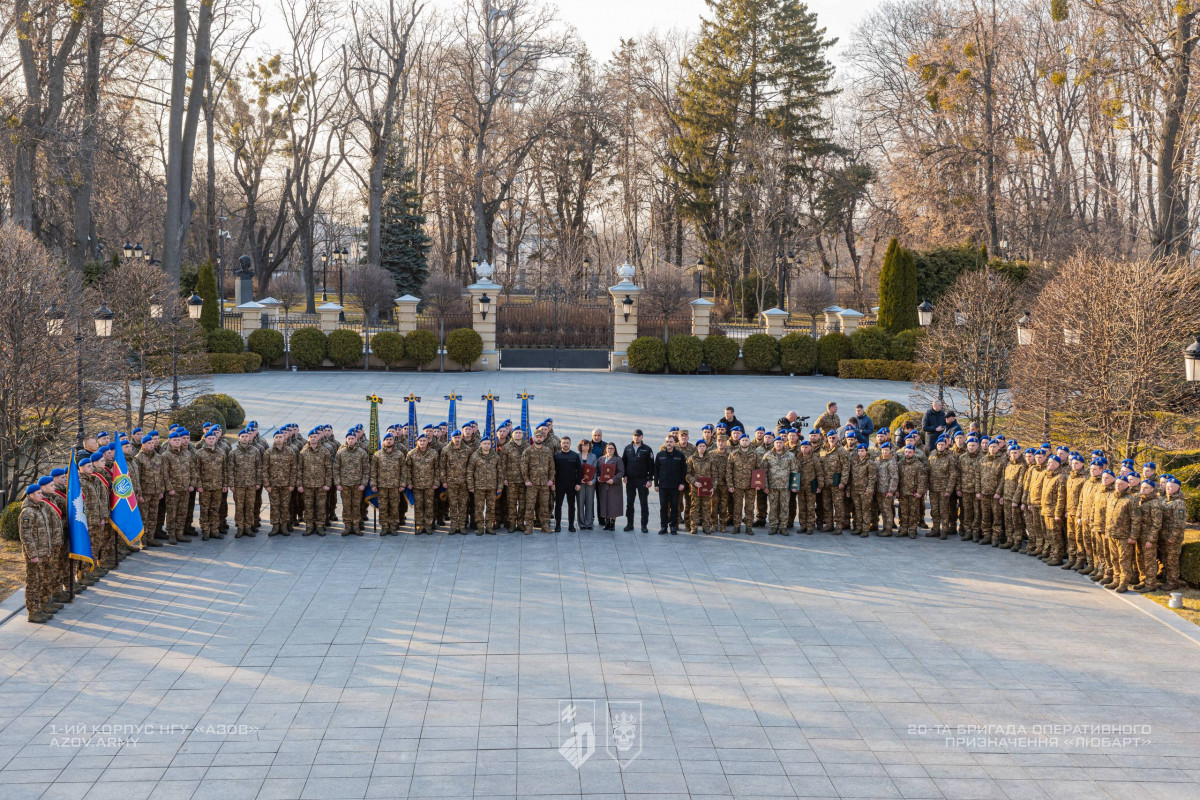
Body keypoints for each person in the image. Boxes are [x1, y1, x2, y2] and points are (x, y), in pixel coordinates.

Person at [19, 484, 55, 623]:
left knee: (41, 581)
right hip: (34, 555)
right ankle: (33, 612)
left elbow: (45, 532)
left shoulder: (41, 508)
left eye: (41, 492)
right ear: (31, 495)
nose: (42, 495)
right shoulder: (28, 512)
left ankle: (39, 608)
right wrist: (33, 555)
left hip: (43, 552)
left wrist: (48, 550)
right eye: (39, 493)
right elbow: (26, 536)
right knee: (33, 583)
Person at [228, 427, 263, 538]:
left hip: (251, 484)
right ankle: (240, 527)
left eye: (246, 436)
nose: (244, 438)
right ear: (239, 438)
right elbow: (230, 469)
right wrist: (232, 484)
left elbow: (258, 468)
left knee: (250, 506)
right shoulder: (233, 452)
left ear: (249, 437)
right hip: (238, 485)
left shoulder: (255, 451)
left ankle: (248, 527)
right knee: (239, 506)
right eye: (242, 436)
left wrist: (258, 482)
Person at [194, 429, 227, 540]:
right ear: (205, 439)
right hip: (205, 487)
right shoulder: (199, 453)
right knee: (205, 509)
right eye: (209, 439)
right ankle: (205, 530)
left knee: (215, 509)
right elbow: (196, 471)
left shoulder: (221, 452)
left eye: (213, 438)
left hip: (217, 486)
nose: (212, 440)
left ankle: (214, 530)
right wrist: (198, 485)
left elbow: (224, 470)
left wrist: (224, 484)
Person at [372, 432, 407, 536]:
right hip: (382, 486)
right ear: (383, 442)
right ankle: (384, 526)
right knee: (383, 507)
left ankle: (393, 526)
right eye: (387, 440)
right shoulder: (377, 455)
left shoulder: (399, 454)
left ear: (394, 441)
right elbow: (373, 471)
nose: (389, 441)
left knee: (394, 507)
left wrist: (402, 484)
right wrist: (373, 484)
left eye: (390, 439)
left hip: (395, 486)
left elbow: (403, 471)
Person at [439, 429, 473, 535]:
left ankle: (462, 526)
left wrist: (469, 481)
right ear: (451, 438)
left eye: (458, 437)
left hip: (464, 482)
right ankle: (453, 526)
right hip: (451, 482)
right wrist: (444, 480)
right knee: (453, 504)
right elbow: (442, 466)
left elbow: (471, 467)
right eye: (455, 437)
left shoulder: (467, 449)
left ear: (461, 437)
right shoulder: (446, 450)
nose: (457, 439)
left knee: (463, 505)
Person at [467, 437, 502, 535]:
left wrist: (500, 486)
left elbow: (500, 472)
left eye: (488, 444)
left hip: (492, 486)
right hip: (479, 487)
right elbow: (470, 471)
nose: (486, 445)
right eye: (484, 443)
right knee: (479, 508)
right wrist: (471, 486)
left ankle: (489, 526)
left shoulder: (495, 456)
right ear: (481, 444)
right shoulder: (475, 456)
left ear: (491, 445)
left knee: (491, 507)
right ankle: (480, 527)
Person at [265, 430, 298, 536]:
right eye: (276, 437)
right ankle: (275, 527)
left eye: (280, 437)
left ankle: (284, 526)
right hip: (273, 485)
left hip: (286, 485)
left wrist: (292, 484)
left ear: (284, 438)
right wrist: (267, 485)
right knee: (274, 506)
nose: (279, 439)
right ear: (274, 439)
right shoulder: (268, 452)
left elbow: (294, 468)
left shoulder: (290, 451)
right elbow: (264, 469)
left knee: (285, 506)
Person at [406, 433, 440, 534]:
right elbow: (407, 469)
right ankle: (419, 526)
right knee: (419, 506)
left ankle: (428, 526)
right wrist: (409, 482)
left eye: (424, 441)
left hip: (430, 484)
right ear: (417, 442)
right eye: (420, 441)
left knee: (429, 506)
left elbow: (437, 468)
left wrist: (436, 482)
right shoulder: (411, 454)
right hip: (417, 485)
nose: (422, 443)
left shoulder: (433, 453)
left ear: (427, 441)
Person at [522, 432, 555, 533]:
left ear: (543, 438)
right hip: (532, 484)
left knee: (544, 506)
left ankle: (545, 525)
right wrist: (526, 480)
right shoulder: (528, 451)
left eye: (541, 437)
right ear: (533, 438)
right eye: (537, 437)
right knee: (530, 506)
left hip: (545, 484)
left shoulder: (547, 450)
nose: (539, 439)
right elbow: (524, 466)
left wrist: (551, 480)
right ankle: (529, 526)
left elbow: (552, 466)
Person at [622, 430, 654, 532]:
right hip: (630, 480)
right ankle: (629, 524)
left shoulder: (647, 449)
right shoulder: (627, 448)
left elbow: (651, 466)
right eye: (635, 436)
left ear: (642, 437)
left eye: (639, 436)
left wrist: (650, 479)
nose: (637, 438)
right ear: (633, 437)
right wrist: (624, 475)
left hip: (642, 480)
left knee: (643, 503)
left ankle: (644, 525)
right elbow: (624, 463)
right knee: (629, 503)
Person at [761, 437, 794, 536]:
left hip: (785, 487)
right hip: (772, 487)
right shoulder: (768, 455)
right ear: (774, 444)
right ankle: (773, 526)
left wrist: (793, 485)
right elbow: (763, 472)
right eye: (777, 443)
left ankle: (783, 527)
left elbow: (794, 471)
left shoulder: (790, 456)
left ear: (784, 444)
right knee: (773, 507)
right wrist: (765, 486)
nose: (778, 444)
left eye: (780, 443)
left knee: (784, 507)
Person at [654, 437, 687, 534]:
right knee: (663, 507)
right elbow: (656, 471)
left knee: (674, 506)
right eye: (667, 442)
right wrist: (656, 484)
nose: (669, 443)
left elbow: (683, 471)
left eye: (671, 442)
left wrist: (682, 483)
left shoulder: (680, 455)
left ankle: (673, 526)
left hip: (675, 486)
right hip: (663, 486)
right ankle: (663, 526)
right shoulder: (660, 455)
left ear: (674, 443)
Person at [1159, 475, 1187, 590]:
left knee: (1172, 560)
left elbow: (1179, 523)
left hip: (1173, 538)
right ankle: (1167, 578)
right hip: (1164, 536)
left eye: (1171, 487)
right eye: (1167, 487)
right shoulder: (1165, 500)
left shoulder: (1179, 503)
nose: (1168, 488)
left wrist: (1172, 537)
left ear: (1177, 488)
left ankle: (1173, 582)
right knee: (1165, 558)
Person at [685, 439, 717, 534]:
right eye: (700, 446)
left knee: (706, 508)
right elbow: (687, 474)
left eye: (703, 446)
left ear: (706, 447)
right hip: (695, 488)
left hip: (707, 488)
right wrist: (694, 482)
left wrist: (713, 487)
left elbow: (715, 474)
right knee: (695, 507)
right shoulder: (691, 459)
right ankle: (693, 527)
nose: (702, 448)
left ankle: (706, 527)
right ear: (697, 447)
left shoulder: (710, 459)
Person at [552, 436, 582, 532]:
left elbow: (579, 471)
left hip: (571, 485)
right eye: (564, 443)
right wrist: (553, 483)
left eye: (567, 443)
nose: (565, 444)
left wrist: (578, 483)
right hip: (559, 484)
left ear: (570, 444)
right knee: (558, 505)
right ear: (561, 444)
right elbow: (552, 471)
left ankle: (571, 525)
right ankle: (557, 525)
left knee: (571, 506)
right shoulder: (556, 456)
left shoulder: (575, 456)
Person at [596, 443, 625, 531]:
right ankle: (607, 522)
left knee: (613, 504)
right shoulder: (601, 459)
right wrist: (598, 477)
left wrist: (613, 480)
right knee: (605, 504)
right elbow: (597, 471)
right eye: (608, 448)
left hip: (614, 486)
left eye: (612, 448)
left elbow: (621, 472)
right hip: (603, 485)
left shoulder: (618, 459)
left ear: (615, 449)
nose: (610, 450)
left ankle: (612, 523)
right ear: (606, 449)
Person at [874, 443, 898, 537]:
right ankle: (884, 528)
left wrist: (891, 490)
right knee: (882, 510)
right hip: (879, 490)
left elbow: (894, 478)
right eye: (883, 450)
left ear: (890, 451)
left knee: (887, 510)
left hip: (886, 491)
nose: (885, 452)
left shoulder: (891, 462)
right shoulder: (878, 460)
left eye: (887, 450)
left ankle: (888, 529)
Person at [577, 440, 599, 530]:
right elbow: (575, 470)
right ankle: (582, 524)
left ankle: (589, 523)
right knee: (580, 503)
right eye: (583, 445)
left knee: (590, 503)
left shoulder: (593, 456)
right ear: (580, 447)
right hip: (580, 484)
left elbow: (595, 471)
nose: (585, 447)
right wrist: (579, 480)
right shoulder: (577, 456)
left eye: (587, 445)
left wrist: (593, 481)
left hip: (590, 484)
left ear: (590, 447)